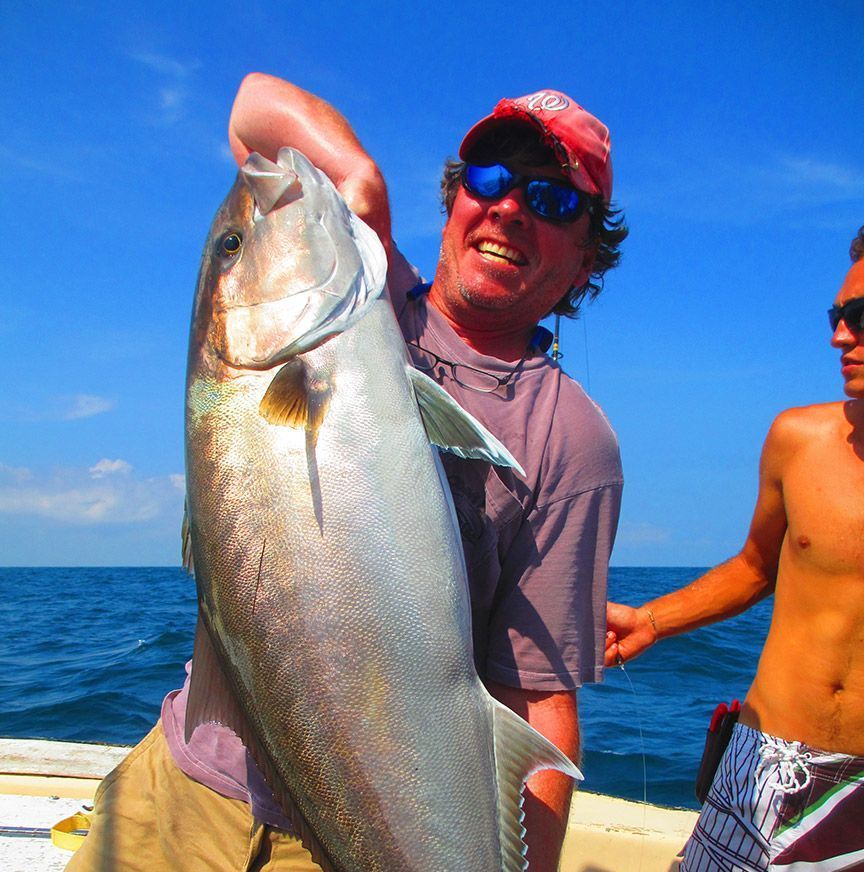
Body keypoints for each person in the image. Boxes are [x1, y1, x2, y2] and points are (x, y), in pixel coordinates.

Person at [69, 75, 627, 872]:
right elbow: (252, 113)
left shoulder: (569, 437)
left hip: (347, 838)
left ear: (585, 262)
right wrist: (356, 175)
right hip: (185, 782)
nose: (509, 208)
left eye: (554, 200)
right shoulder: (375, 290)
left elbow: (535, 692)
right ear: (455, 201)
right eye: (490, 180)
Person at [605, 227, 864, 870]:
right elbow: (755, 567)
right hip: (764, 762)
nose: (839, 337)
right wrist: (650, 620)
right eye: (837, 316)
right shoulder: (797, 438)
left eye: (859, 317)